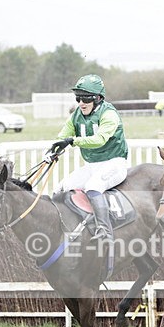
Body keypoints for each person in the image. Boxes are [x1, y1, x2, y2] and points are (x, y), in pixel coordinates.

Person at [47, 74, 129, 245]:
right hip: (92, 166)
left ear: (98, 98)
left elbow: (100, 140)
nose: (81, 103)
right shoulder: (77, 115)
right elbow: (64, 135)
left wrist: (74, 141)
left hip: (114, 163)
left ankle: (104, 230)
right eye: (78, 98)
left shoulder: (109, 114)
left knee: (93, 187)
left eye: (85, 98)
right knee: (60, 188)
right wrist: (55, 148)